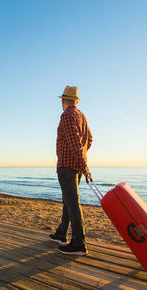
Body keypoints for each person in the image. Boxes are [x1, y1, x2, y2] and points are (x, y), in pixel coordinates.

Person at [49, 85, 93, 256]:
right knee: (68, 202)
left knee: (73, 203)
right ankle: (61, 234)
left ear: (64, 100)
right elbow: (89, 140)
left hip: (67, 166)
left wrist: (83, 164)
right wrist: (82, 158)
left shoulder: (67, 115)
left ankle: (78, 243)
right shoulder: (81, 116)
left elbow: (75, 143)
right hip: (75, 167)